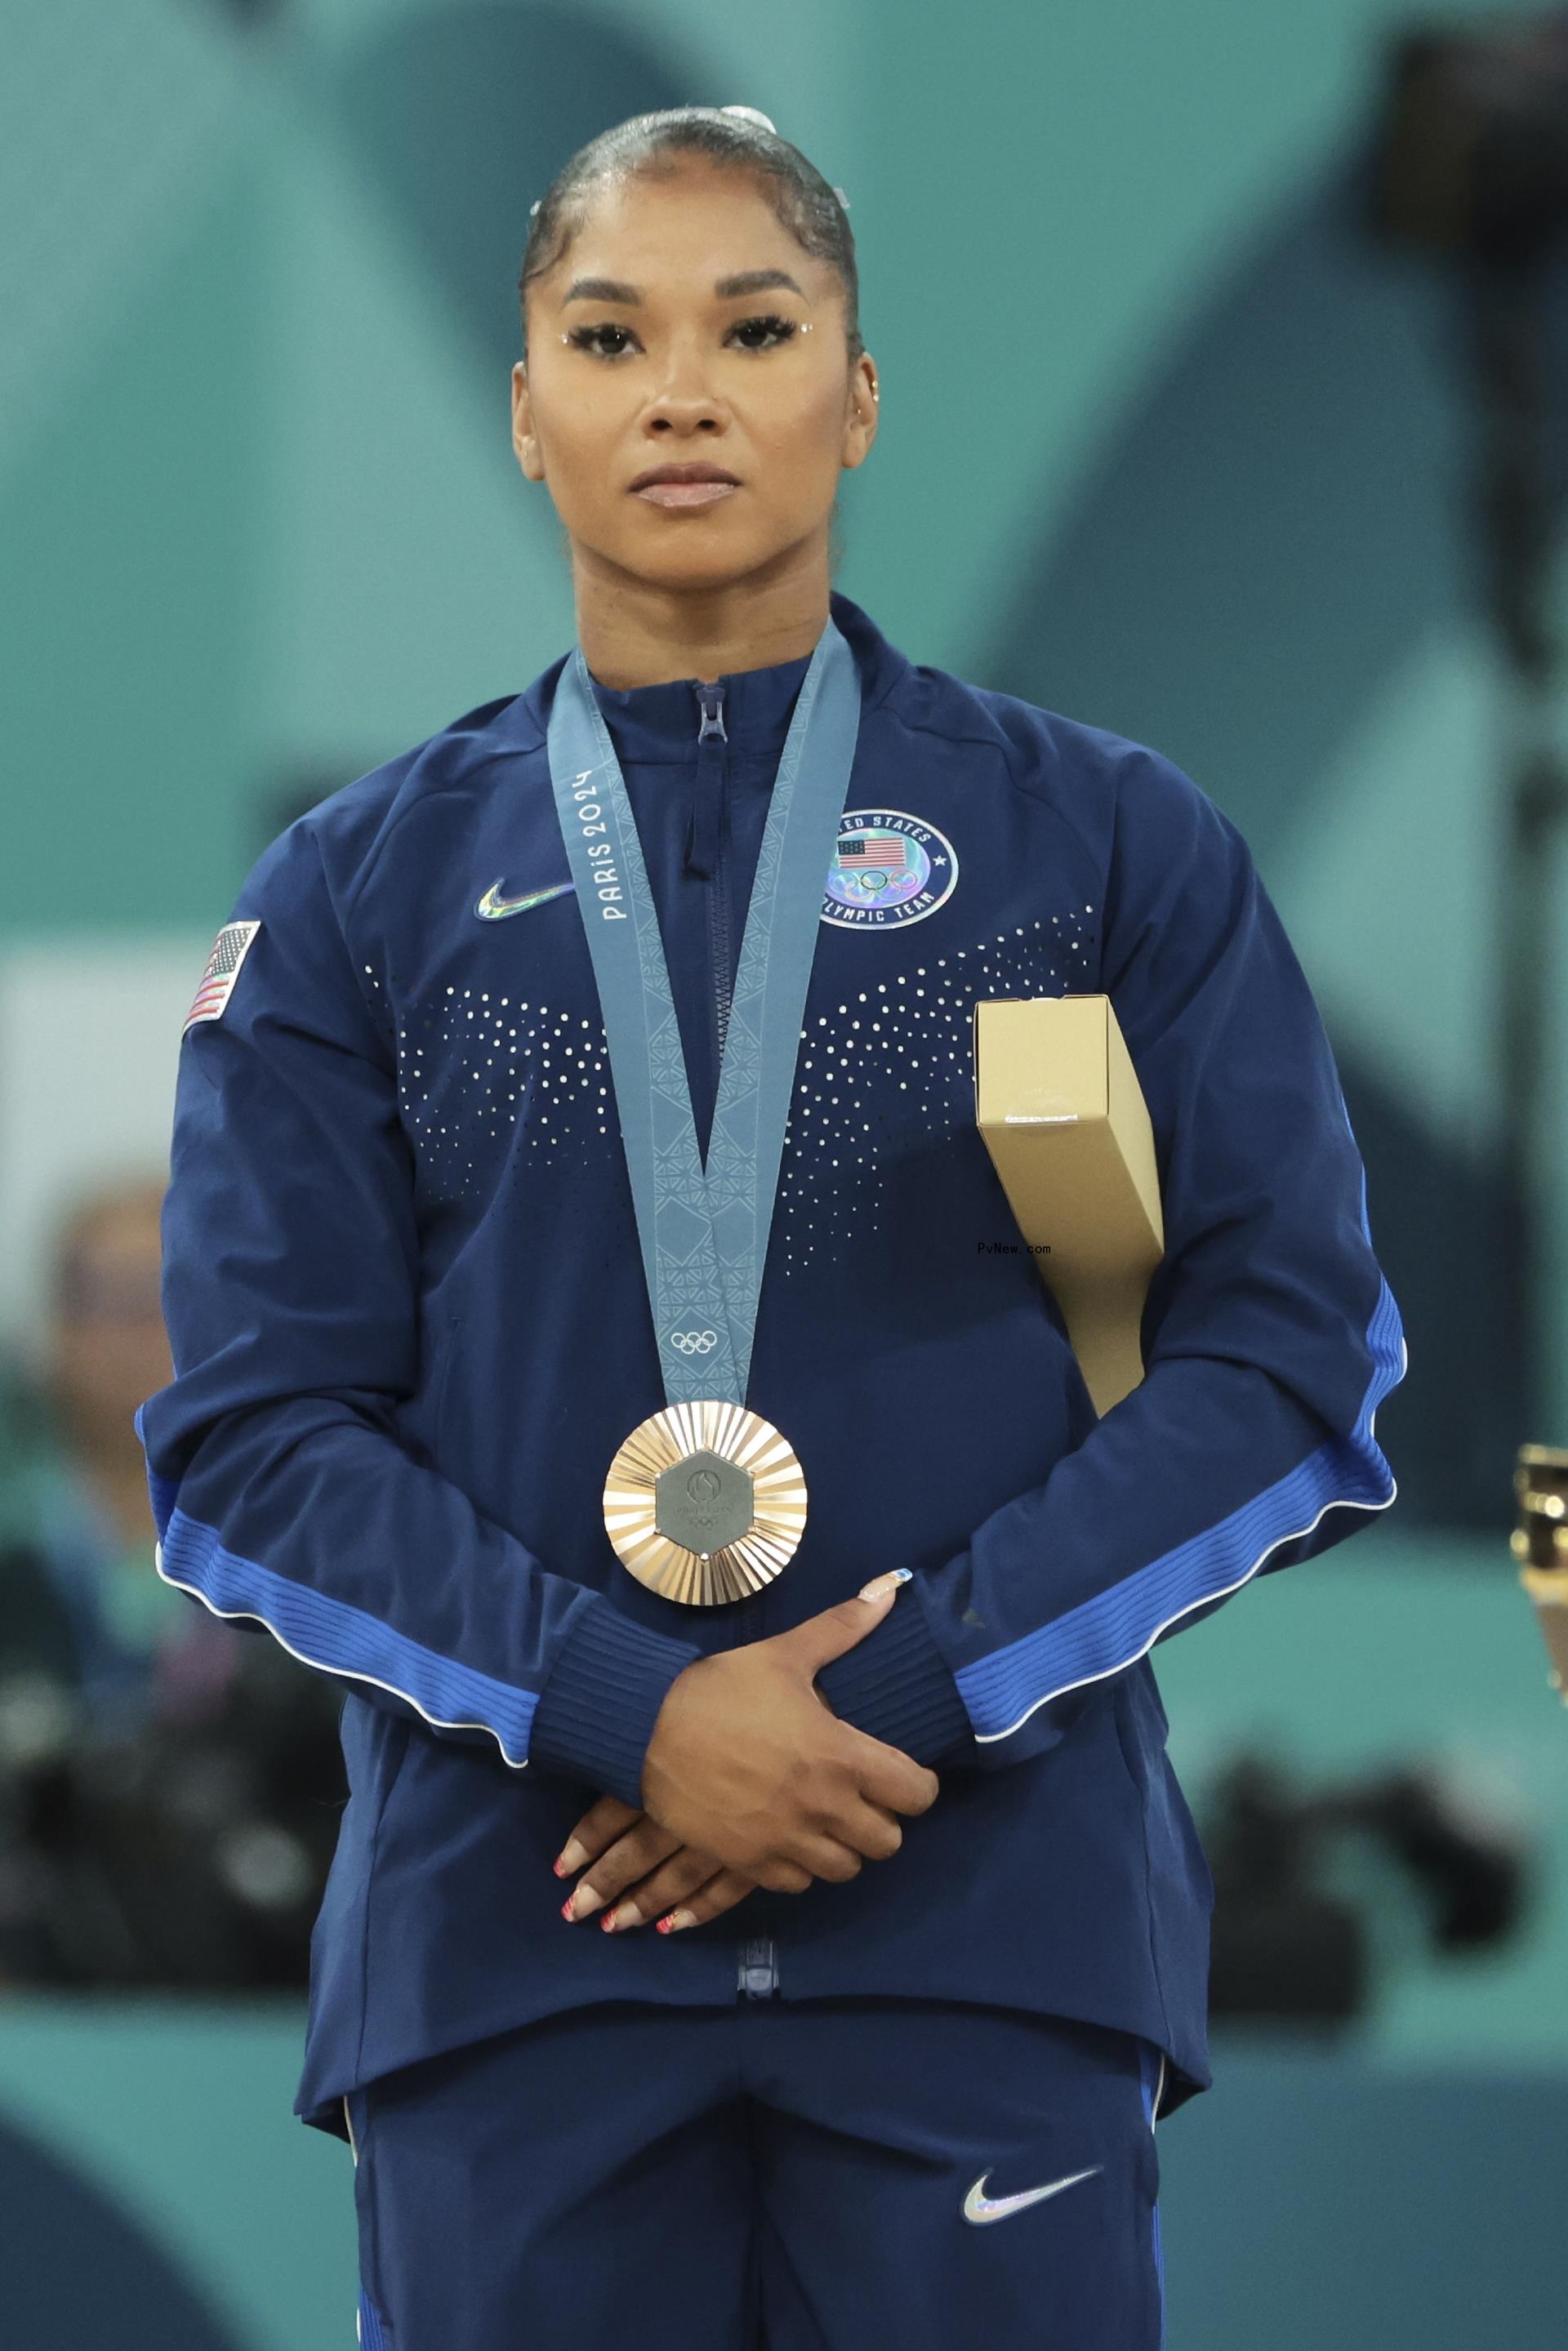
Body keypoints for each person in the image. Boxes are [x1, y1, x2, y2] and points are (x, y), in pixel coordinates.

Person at [135, 104, 1407, 2350]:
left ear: (862, 393)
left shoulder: (1106, 845)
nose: (685, 390)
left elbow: (1292, 1362)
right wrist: (629, 1710)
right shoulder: (354, 891)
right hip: (516, 1951)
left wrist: (895, 1700)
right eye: (609, 336)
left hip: (986, 1940)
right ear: (526, 409)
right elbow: (251, 1444)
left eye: (757, 325)